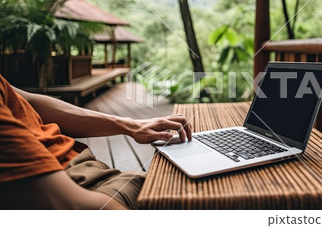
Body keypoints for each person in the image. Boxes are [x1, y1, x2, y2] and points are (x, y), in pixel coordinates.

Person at [0, 74, 192, 209]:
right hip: (77, 186)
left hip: (90, 173)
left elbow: (28, 100)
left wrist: (132, 125)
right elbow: (72, 206)